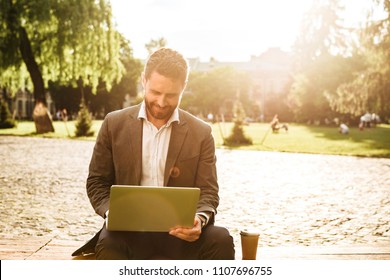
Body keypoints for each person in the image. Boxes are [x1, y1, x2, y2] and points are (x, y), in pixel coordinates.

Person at [72, 48, 235, 260]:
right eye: (155, 92)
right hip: (127, 234)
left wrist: (199, 218)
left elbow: (208, 191)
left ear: (184, 87)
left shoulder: (201, 133)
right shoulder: (113, 124)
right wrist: (112, 212)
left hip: (182, 236)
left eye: (171, 95)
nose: (161, 102)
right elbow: (97, 182)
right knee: (109, 245)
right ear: (143, 80)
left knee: (221, 239)